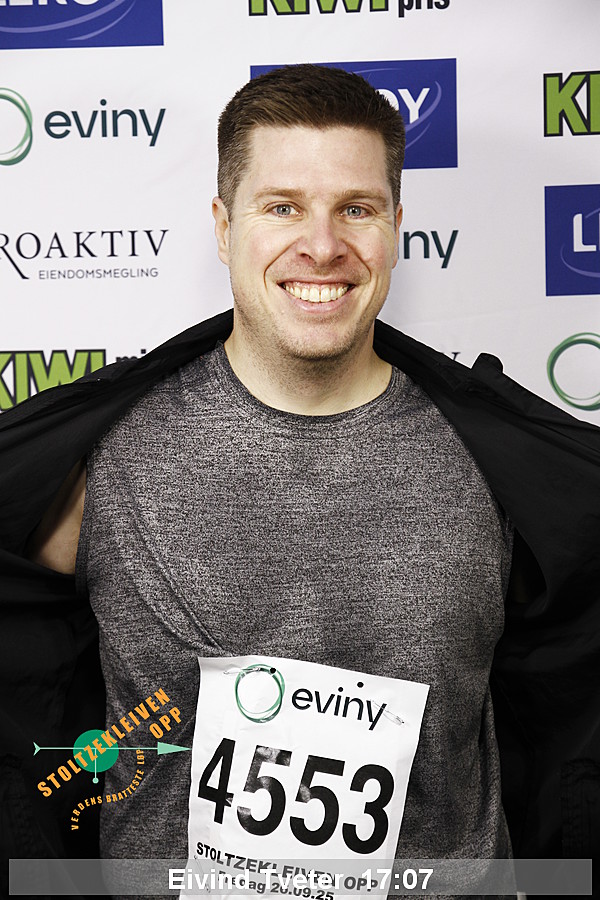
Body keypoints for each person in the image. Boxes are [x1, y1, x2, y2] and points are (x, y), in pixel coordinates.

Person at [1, 64, 599, 890]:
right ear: (223, 227)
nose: (322, 245)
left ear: (396, 227)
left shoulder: (499, 466)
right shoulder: (103, 461)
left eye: (357, 208)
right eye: (282, 207)